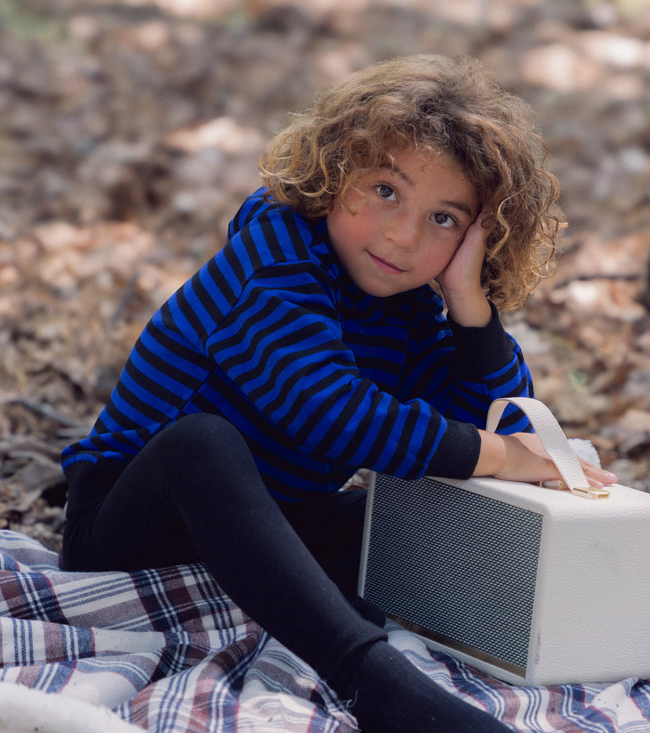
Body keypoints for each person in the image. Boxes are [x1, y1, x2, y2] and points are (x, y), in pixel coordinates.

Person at [59, 54, 616, 733]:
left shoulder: (410, 308)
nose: (402, 236)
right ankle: (374, 681)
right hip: (128, 527)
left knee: (407, 514)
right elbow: (331, 413)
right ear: (334, 170)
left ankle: (503, 638)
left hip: (277, 521)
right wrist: (499, 454)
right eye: (386, 190)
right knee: (201, 444)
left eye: (444, 219)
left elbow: (481, 420)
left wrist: (471, 306)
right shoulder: (273, 257)